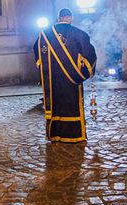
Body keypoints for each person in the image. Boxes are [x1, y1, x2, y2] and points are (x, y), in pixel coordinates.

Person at [32, 8, 97, 142]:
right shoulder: (80, 34)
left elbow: (37, 54)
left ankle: (56, 135)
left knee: (57, 108)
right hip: (72, 81)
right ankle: (74, 136)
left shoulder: (44, 35)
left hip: (53, 81)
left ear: (58, 18)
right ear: (71, 18)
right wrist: (81, 75)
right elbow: (90, 57)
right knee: (72, 106)